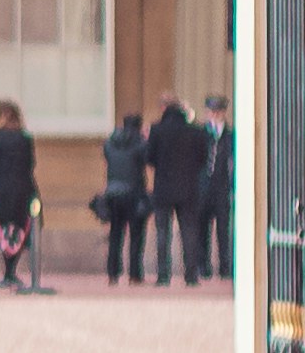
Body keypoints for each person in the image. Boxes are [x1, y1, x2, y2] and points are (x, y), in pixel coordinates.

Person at [0, 99, 43, 290]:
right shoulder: (25, 137)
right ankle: (10, 271)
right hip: (23, 187)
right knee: (19, 228)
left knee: (2, 228)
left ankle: (4, 271)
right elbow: (31, 164)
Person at [144, 99, 209, 284]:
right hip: (189, 189)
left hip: (163, 189)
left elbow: (149, 158)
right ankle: (191, 275)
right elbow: (203, 159)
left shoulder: (157, 130)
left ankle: (163, 275)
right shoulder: (195, 132)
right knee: (189, 232)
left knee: (163, 233)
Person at [185, 93, 240, 287]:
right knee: (203, 229)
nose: (215, 114)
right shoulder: (201, 133)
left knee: (224, 230)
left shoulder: (231, 135)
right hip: (203, 189)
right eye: (212, 111)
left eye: (218, 111)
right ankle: (203, 265)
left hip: (222, 188)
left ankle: (225, 266)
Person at [95, 109, 151, 283]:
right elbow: (147, 159)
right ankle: (135, 274)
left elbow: (108, 157)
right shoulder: (140, 144)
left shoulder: (110, 143)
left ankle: (113, 273)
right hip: (134, 194)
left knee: (115, 235)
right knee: (136, 236)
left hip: (112, 193)